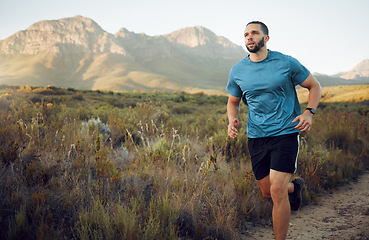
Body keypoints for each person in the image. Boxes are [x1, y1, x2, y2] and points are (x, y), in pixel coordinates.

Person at [226, 21, 322, 240]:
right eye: (245, 34)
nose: (249, 37)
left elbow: (314, 86)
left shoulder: (285, 63)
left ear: (266, 38)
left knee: (277, 191)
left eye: (254, 33)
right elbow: (233, 102)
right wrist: (232, 120)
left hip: (285, 132)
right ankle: (294, 188)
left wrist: (309, 112)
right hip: (257, 136)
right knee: (267, 191)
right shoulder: (238, 70)